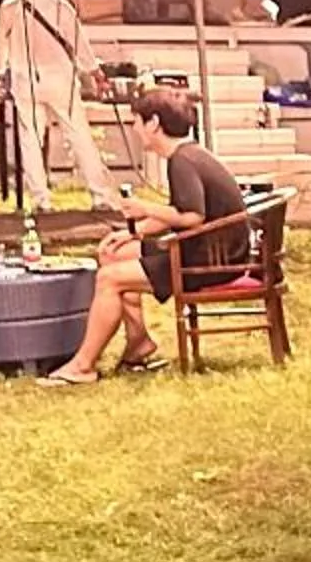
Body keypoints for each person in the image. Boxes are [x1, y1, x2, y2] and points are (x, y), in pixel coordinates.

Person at [42, 90, 249, 385]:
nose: (134, 128)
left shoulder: (182, 162)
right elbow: (181, 213)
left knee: (109, 279)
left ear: (154, 124)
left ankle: (82, 366)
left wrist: (145, 208)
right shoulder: (189, 154)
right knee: (114, 253)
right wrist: (132, 233)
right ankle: (138, 342)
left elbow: (192, 216)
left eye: (137, 121)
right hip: (207, 249)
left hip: (207, 261)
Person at [0, 0, 124, 215]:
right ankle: (100, 196)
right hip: (60, 79)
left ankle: (42, 200)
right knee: (79, 136)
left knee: (30, 138)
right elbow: (80, 45)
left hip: (25, 80)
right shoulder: (61, 8)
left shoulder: (9, 9)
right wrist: (95, 73)